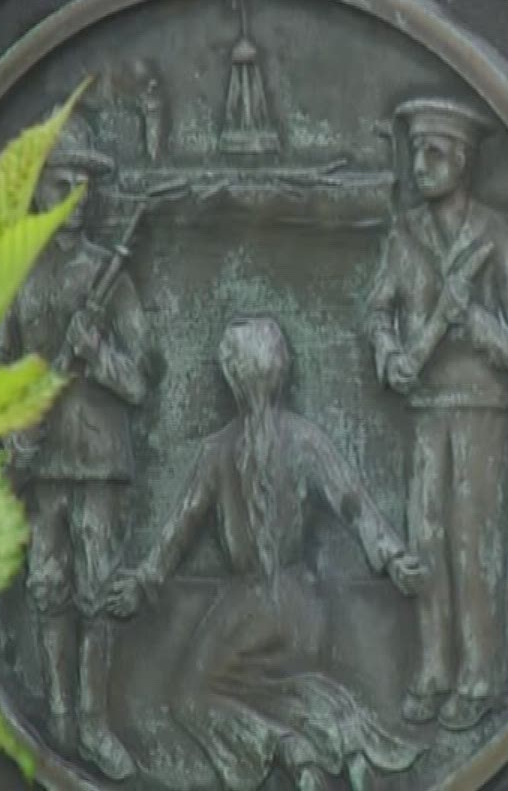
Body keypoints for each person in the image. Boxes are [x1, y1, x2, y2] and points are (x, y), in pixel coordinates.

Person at [102, 315, 427, 791]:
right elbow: (355, 505)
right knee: (270, 683)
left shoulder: (219, 451)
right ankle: (324, 750)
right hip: (302, 608)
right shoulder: (307, 441)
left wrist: (145, 578)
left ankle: (285, 746)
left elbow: (180, 529)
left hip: (251, 605)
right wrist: (394, 558)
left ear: (233, 378)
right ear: (282, 370)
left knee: (192, 696)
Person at [363, 97, 508, 732]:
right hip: (426, 406)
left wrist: (470, 318)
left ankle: (481, 674)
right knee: (426, 537)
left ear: (462, 160)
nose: (420, 166)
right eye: (415, 153)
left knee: (472, 542)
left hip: (481, 407)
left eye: (434, 154)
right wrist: (389, 355)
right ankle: (434, 668)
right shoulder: (403, 234)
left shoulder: (498, 238)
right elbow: (377, 311)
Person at [0, 115, 150, 781]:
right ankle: (55, 717)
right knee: (47, 585)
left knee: (97, 589)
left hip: (98, 461)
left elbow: (141, 381)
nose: (80, 195)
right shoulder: (17, 276)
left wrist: (99, 357)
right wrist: (13, 429)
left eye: (87, 184)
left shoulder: (110, 279)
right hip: (39, 462)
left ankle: (93, 720)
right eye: (66, 181)